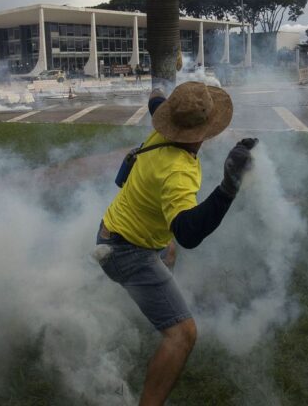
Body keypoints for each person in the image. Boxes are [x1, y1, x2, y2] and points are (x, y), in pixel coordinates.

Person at [95, 81, 257, 405]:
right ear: (206, 130)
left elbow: (156, 98)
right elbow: (188, 232)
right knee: (184, 334)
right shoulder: (178, 170)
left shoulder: (164, 126)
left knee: (169, 250)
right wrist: (229, 186)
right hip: (126, 252)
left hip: (115, 230)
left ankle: (160, 303)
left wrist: (161, 80)